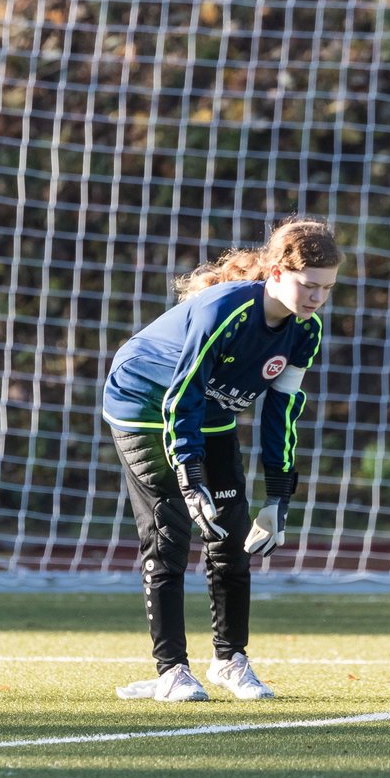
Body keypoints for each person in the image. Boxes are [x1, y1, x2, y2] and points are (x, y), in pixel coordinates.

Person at [103, 216, 344, 702]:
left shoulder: (305, 333)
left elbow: (282, 414)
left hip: (209, 413)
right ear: (275, 273)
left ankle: (230, 660)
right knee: (171, 532)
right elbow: (181, 398)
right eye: (308, 285)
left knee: (231, 536)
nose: (317, 297)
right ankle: (171, 670)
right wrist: (191, 482)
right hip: (144, 404)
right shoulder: (223, 312)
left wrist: (278, 499)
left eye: (327, 288)